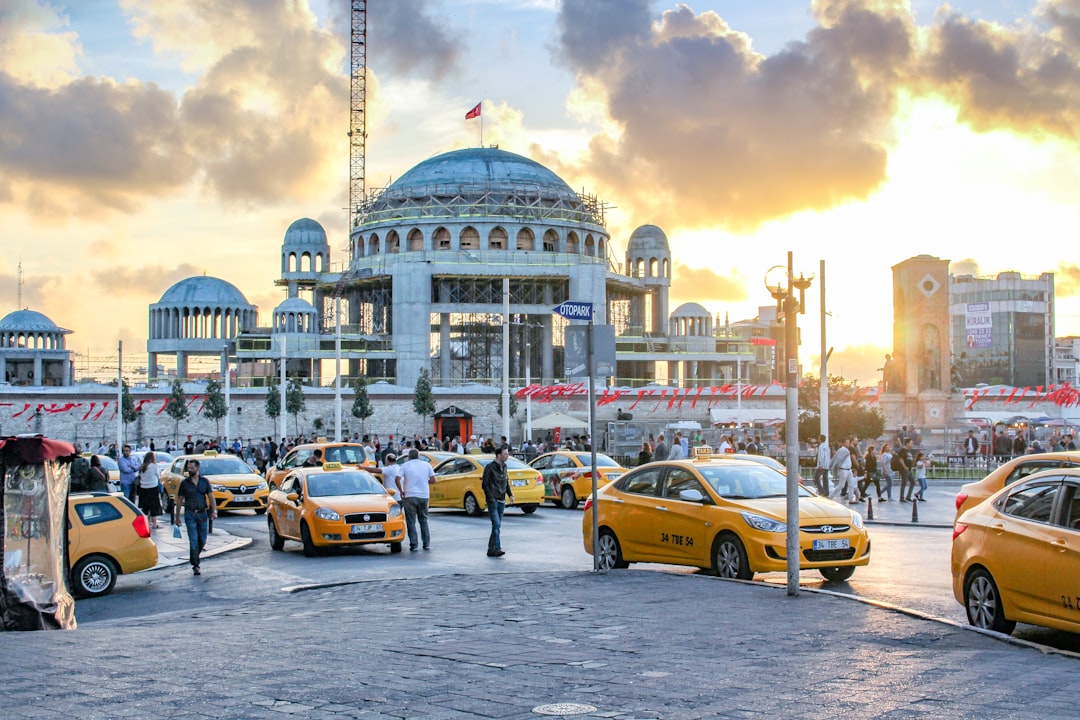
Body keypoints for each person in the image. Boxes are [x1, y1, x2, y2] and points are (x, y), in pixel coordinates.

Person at [173, 459, 216, 575]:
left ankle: (194, 557)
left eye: (192, 468)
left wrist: (214, 511)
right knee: (193, 540)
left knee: (202, 539)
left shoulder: (204, 482)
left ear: (197, 468)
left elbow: (211, 497)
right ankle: (196, 565)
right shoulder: (185, 483)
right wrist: (177, 517)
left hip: (202, 513)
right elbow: (179, 500)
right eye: (188, 468)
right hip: (190, 513)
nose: (189, 470)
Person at [481, 445, 515, 557]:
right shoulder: (490, 467)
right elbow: (485, 484)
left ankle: (491, 549)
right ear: (499, 455)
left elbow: (506, 482)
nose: (507, 456)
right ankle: (497, 548)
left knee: (497, 526)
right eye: (505, 454)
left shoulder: (504, 466)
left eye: (507, 454)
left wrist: (510, 494)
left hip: (501, 499)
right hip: (493, 499)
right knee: (496, 523)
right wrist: (490, 497)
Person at [399, 448, 436, 551]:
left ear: (409, 457)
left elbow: (397, 478)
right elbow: (433, 480)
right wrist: (424, 481)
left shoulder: (405, 466)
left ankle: (414, 544)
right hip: (424, 496)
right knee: (423, 520)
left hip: (410, 495)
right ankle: (426, 543)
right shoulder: (426, 465)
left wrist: (401, 490)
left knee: (411, 521)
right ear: (418, 456)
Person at [137, 451, 163, 529]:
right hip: (152, 488)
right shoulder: (154, 466)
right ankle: (154, 524)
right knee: (153, 507)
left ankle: (146, 523)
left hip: (143, 488)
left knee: (145, 507)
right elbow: (158, 476)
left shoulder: (142, 467)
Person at [829, 438, 857, 504]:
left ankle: (851, 499)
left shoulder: (846, 450)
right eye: (847, 442)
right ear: (844, 443)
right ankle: (831, 496)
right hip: (843, 470)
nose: (848, 443)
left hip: (849, 470)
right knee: (841, 485)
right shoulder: (843, 450)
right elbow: (838, 459)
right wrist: (835, 466)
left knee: (851, 484)